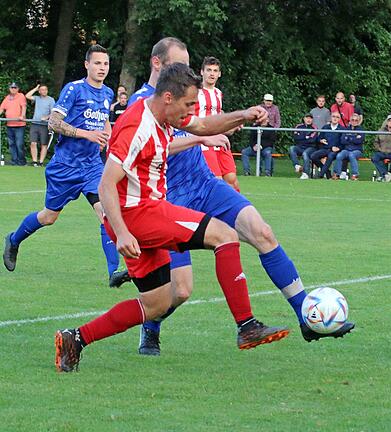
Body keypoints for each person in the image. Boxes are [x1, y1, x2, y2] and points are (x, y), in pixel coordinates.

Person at [53, 63, 290, 372]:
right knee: (225, 235)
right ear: (168, 97)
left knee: (157, 303)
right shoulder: (136, 126)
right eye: (189, 104)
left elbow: (203, 126)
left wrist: (243, 114)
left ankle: (75, 339)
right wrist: (123, 233)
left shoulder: (163, 113)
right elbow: (106, 184)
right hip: (138, 214)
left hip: (140, 214)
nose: (191, 111)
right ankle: (247, 326)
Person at [127, 38, 352, 356]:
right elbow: (154, 148)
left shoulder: (184, 95)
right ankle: (151, 327)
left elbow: (204, 124)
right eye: (179, 64)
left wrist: (243, 115)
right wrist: (197, 139)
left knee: (263, 232)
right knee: (180, 290)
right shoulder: (141, 103)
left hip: (204, 185)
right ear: (157, 64)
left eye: (188, 64)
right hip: (167, 199)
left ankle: (306, 317)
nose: (186, 71)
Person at [3, 45, 129, 288]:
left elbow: (103, 123)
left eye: (105, 64)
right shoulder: (74, 90)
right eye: (97, 63)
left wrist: (108, 138)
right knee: (49, 217)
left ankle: (114, 273)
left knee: (106, 214)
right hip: (65, 166)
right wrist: (86, 134)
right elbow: (53, 122)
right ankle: (14, 239)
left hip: (92, 166)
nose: (102, 68)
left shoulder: (108, 93)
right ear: (87, 65)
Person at [197, 56, 239, 191]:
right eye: (208, 70)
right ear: (202, 72)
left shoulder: (218, 93)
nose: (212, 73)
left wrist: (231, 124)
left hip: (220, 142)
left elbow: (219, 115)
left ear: (219, 74)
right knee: (217, 183)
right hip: (204, 144)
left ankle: (235, 211)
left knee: (232, 181)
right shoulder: (194, 92)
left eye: (215, 71)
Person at [25, 83, 56, 166]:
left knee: (44, 144)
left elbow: (54, 112)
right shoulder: (37, 98)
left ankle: (41, 162)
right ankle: (35, 161)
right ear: (39, 91)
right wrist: (35, 89)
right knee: (33, 143)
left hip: (44, 125)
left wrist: (46, 117)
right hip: (34, 123)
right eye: (42, 90)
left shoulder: (51, 100)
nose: (44, 91)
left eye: (45, 89)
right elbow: (27, 96)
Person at [0, 82, 27, 166]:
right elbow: (1, 108)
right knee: (11, 144)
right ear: (9, 88)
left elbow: (24, 107)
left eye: (15, 88)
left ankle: (21, 161)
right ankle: (14, 161)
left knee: (19, 144)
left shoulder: (21, 96)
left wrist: (22, 115)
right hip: (10, 125)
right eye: (12, 87)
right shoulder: (7, 98)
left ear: (18, 89)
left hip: (19, 125)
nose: (13, 89)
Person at [312, 112, 345, 178]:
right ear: (330, 117)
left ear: (340, 119)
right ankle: (327, 171)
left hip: (334, 150)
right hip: (325, 148)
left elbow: (343, 142)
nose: (335, 118)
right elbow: (318, 138)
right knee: (313, 156)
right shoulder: (325, 127)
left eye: (337, 117)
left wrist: (339, 148)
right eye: (333, 116)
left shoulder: (342, 129)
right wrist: (321, 140)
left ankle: (321, 175)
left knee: (330, 156)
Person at [335, 113, 364, 180]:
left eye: (356, 120)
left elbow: (359, 141)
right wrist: (354, 138)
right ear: (350, 121)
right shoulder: (346, 129)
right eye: (352, 120)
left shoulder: (361, 130)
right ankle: (337, 174)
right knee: (339, 155)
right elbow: (342, 141)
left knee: (351, 155)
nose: (354, 122)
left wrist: (348, 138)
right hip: (346, 150)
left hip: (357, 150)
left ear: (358, 121)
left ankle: (355, 174)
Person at [373, 115, 391, 182]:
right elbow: (376, 142)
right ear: (387, 122)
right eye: (389, 121)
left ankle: (390, 173)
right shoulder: (381, 130)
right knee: (374, 158)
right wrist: (378, 149)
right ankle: (385, 174)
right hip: (382, 151)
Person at [290, 113, 319, 179]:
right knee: (292, 148)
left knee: (305, 153)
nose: (308, 120)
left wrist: (302, 137)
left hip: (311, 147)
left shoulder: (315, 127)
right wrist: (306, 137)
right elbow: (295, 138)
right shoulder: (298, 126)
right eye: (307, 118)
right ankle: (297, 166)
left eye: (310, 118)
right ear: (304, 119)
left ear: (312, 120)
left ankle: (305, 173)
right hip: (300, 146)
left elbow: (313, 140)